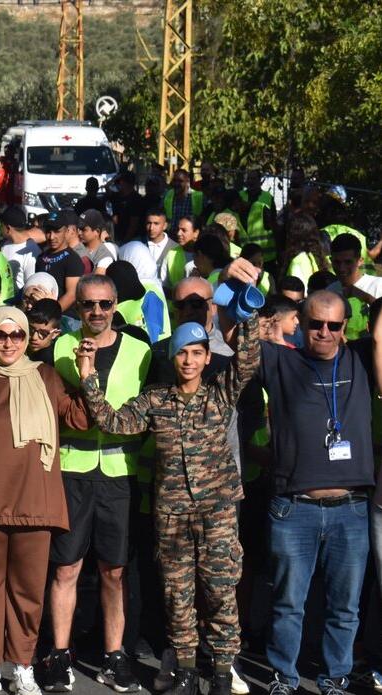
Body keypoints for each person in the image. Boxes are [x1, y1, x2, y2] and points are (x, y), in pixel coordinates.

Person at [222, 257, 382, 695]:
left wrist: (360, 285)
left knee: (344, 607)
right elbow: (235, 335)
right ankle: (285, 678)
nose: (324, 333)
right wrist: (227, 282)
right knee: (288, 603)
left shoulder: (363, 359)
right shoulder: (281, 360)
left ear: (346, 327)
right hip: (295, 506)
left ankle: (334, 677)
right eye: (315, 323)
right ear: (300, 322)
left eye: (333, 325)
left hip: (351, 506)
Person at [79, 310, 261, 695]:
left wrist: (248, 316)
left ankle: (224, 674)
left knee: (220, 592)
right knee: (178, 596)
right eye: (182, 353)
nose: (190, 361)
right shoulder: (155, 401)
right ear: (172, 357)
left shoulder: (221, 394)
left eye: (197, 353)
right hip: (172, 516)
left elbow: (246, 360)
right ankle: (187, 672)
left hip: (217, 514)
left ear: (208, 358)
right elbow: (113, 422)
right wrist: (88, 376)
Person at [0, 306, 89, 695]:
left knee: (27, 593)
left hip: (35, 505)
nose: (9, 343)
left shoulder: (46, 377)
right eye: (1, 335)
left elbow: (81, 419)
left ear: (27, 338)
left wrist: (87, 373)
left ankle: (24, 666)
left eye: (17, 336)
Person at [44, 275, 149, 695]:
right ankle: (59, 654)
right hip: (72, 470)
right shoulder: (58, 350)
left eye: (105, 304)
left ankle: (114, 655)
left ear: (117, 304)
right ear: (77, 308)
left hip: (120, 473)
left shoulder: (141, 352)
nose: (97, 313)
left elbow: (144, 414)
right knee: (66, 567)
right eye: (88, 305)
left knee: (114, 570)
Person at [327, 233, 382, 341]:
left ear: (360, 261)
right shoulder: (329, 291)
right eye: (337, 262)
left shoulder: (379, 286)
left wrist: (366, 297)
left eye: (348, 262)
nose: (342, 268)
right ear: (331, 260)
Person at [35, 215, 83, 313]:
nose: (52, 237)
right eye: (48, 231)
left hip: (64, 318)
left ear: (67, 231)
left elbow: (72, 294)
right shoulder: (41, 258)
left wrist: (51, 314)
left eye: (57, 231)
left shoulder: (72, 259)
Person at [144, 207, 177, 279]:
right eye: (149, 223)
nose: (151, 228)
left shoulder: (175, 248)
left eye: (156, 223)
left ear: (165, 226)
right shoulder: (138, 244)